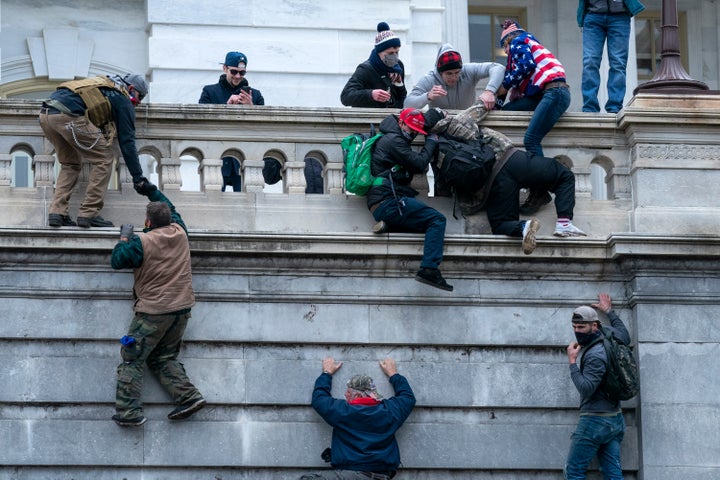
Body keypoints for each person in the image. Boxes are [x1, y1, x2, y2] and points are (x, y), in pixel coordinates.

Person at [424, 106, 586, 255]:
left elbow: (443, 186)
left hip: (492, 184)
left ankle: (523, 227)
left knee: (501, 224)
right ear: (441, 117)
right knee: (563, 175)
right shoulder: (456, 121)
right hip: (510, 160)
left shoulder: (434, 148)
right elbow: (483, 106)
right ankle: (564, 223)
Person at [110, 185, 205, 427]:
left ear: (147, 222)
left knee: (132, 359)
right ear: (170, 219)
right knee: (163, 357)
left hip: (153, 312)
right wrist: (152, 190)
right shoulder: (180, 231)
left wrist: (123, 238)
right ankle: (189, 397)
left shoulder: (141, 241)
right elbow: (170, 207)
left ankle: (128, 412)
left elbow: (117, 260)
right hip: (181, 309)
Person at [39, 73, 156, 228]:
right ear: (131, 89)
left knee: (70, 164)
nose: (139, 103)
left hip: (46, 115)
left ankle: (57, 213)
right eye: (139, 97)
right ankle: (89, 213)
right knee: (104, 159)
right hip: (69, 116)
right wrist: (138, 177)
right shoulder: (122, 99)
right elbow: (127, 142)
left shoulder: (101, 84)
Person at [368, 108, 452, 292]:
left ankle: (390, 225)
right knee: (437, 220)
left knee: (421, 222)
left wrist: (439, 113)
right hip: (388, 201)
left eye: (416, 131)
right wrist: (430, 141)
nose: (413, 133)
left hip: (383, 203)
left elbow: (422, 120)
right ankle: (429, 269)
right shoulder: (394, 141)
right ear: (400, 123)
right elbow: (420, 163)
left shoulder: (395, 135)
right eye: (411, 129)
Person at [496, 20, 571, 215]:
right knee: (508, 111)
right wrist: (498, 103)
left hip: (554, 92)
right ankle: (539, 188)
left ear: (508, 40)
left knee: (531, 139)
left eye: (503, 46)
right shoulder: (528, 43)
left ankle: (540, 190)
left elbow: (525, 66)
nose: (505, 51)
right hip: (545, 94)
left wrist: (504, 85)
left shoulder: (518, 41)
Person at [300, 356, 416, 480]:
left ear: (358, 394)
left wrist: (327, 373)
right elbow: (408, 398)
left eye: (348, 392)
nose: (345, 394)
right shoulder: (390, 411)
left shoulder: (342, 411)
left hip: (353, 475)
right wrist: (393, 374)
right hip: (382, 476)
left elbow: (319, 399)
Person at [565, 293, 631, 479]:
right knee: (612, 472)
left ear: (594, 325)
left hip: (594, 420)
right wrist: (609, 311)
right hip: (615, 419)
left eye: (581, 327)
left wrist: (572, 363)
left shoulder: (595, 354)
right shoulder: (609, 335)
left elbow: (586, 388)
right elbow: (625, 335)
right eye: (574, 327)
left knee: (574, 471)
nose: (577, 331)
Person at [578, 0, 645, 113]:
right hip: (593, 15)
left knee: (618, 63)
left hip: (620, 17)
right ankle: (590, 107)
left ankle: (614, 107)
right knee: (590, 61)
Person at [404, 44, 504, 111]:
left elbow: (498, 68)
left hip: (467, 124)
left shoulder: (467, 70)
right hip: (440, 126)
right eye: (449, 73)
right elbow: (407, 104)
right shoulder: (429, 79)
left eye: (457, 72)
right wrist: (428, 96)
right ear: (440, 72)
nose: (454, 77)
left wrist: (489, 91)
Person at [340, 22, 406, 109]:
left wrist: (399, 85)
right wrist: (371, 94)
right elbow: (346, 96)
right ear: (379, 52)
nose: (394, 56)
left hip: (390, 118)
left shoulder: (398, 66)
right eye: (390, 53)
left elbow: (401, 100)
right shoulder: (365, 69)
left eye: (397, 52)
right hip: (368, 119)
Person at [199, 51, 265, 105]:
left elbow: (263, 119)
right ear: (225, 69)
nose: (238, 76)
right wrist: (227, 106)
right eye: (234, 71)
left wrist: (251, 108)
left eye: (242, 73)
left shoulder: (256, 95)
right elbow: (201, 118)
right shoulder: (209, 92)